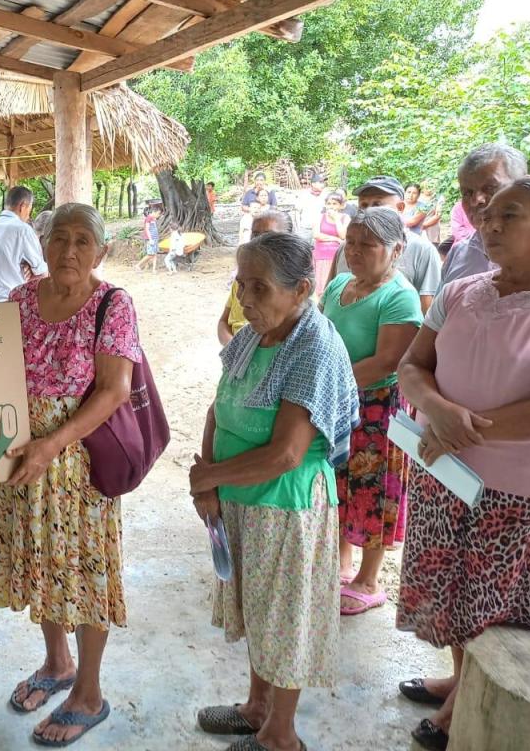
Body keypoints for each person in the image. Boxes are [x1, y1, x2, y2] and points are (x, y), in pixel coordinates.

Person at [396, 177, 530, 751]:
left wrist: (457, 429)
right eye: (488, 215)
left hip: (512, 491)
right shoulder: (461, 290)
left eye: (509, 216)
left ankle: (469, 702)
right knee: (452, 589)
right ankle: (460, 679)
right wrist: (437, 409)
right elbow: (412, 366)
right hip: (444, 471)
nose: (489, 225)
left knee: (497, 601)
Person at [190, 231, 359, 751]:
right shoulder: (252, 335)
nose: (245, 300)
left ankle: (281, 735)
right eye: (241, 285)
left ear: (302, 288)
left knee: (286, 616)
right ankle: (257, 707)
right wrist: (208, 476)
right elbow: (219, 408)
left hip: (286, 506)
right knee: (260, 609)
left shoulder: (315, 343)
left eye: (259, 288)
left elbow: (287, 452)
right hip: (242, 499)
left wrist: (211, 478)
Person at [0, 203, 143, 747]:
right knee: (40, 562)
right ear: (43, 244)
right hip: (19, 456)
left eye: (83, 241)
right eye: (59, 238)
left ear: (101, 251)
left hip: (77, 463)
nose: (70, 250)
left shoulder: (113, 305)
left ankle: (89, 692)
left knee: (84, 573)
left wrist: (50, 445)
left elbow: (114, 390)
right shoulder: (20, 300)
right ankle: (56, 663)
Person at [319, 208, 423, 615]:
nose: (355, 252)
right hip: (336, 400)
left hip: (378, 406)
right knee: (338, 476)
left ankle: (369, 578)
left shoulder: (399, 296)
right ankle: (342, 563)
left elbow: (387, 361)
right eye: (351, 242)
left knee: (375, 486)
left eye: (368, 244)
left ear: (396, 249)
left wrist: (332, 383)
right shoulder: (341, 285)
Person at [327, 176, 441, 313]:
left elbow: (428, 312)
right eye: (363, 205)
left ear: (400, 207)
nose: (368, 211)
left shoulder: (423, 251)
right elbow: (328, 296)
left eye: (377, 205)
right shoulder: (346, 248)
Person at [441, 143, 529, 287]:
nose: (476, 201)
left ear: (526, 185)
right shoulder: (458, 253)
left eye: (490, 188)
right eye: (467, 193)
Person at [219, 209, 292, 346]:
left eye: (268, 236)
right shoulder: (242, 279)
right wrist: (233, 348)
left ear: (288, 239)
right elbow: (224, 321)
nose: (259, 242)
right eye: (255, 234)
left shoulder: (291, 285)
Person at [0, 186, 48, 302]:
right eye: (29, 209)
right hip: (10, 301)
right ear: (23, 206)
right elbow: (42, 273)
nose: (28, 215)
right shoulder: (23, 230)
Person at [313, 191, 350, 290]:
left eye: (334, 204)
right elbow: (316, 235)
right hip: (322, 255)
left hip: (338, 255)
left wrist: (336, 219)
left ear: (341, 206)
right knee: (322, 283)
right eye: (329, 203)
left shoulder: (345, 218)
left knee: (337, 283)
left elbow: (343, 236)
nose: (331, 206)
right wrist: (335, 239)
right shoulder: (320, 217)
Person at [296, 173, 327, 239]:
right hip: (305, 229)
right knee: (303, 248)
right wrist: (299, 227)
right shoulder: (304, 195)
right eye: (320, 182)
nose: (323, 185)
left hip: (321, 230)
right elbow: (297, 212)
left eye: (323, 183)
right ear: (313, 184)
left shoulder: (326, 196)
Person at [135, 205, 162, 272]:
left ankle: (154, 269)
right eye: (158, 213)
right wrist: (150, 239)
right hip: (151, 239)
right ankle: (138, 265)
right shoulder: (148, 218)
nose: (159, 215)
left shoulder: (153, 219)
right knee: (150, 254)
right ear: (154, 212)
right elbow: (147, 229)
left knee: (155, 254)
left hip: (155, 238)